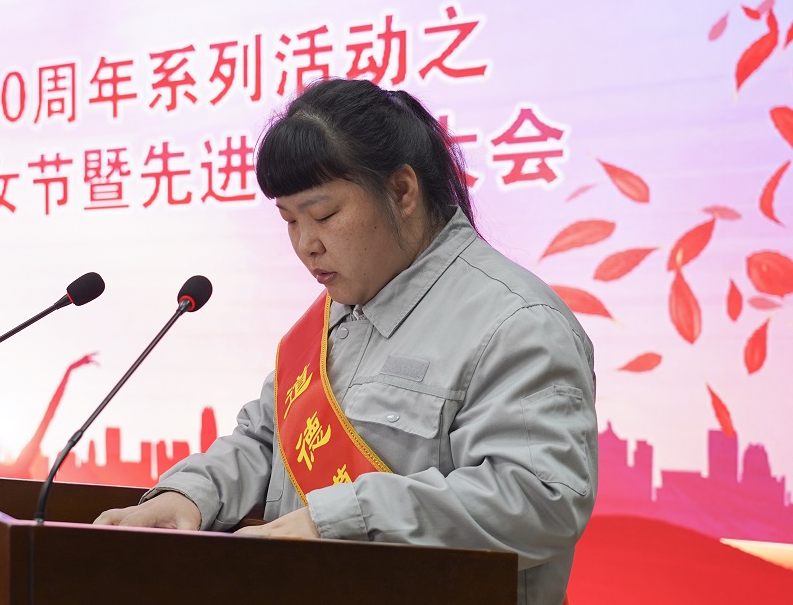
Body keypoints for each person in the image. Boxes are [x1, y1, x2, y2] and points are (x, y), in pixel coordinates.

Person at [94, 78, 598, 605]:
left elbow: (541, 501)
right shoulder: (335, 313)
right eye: (290, 221)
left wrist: (337, 521)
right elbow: (267, 440)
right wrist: (189, 495)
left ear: (402, 191)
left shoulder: (518, 322)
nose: (306, 245)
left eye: (324, 215)